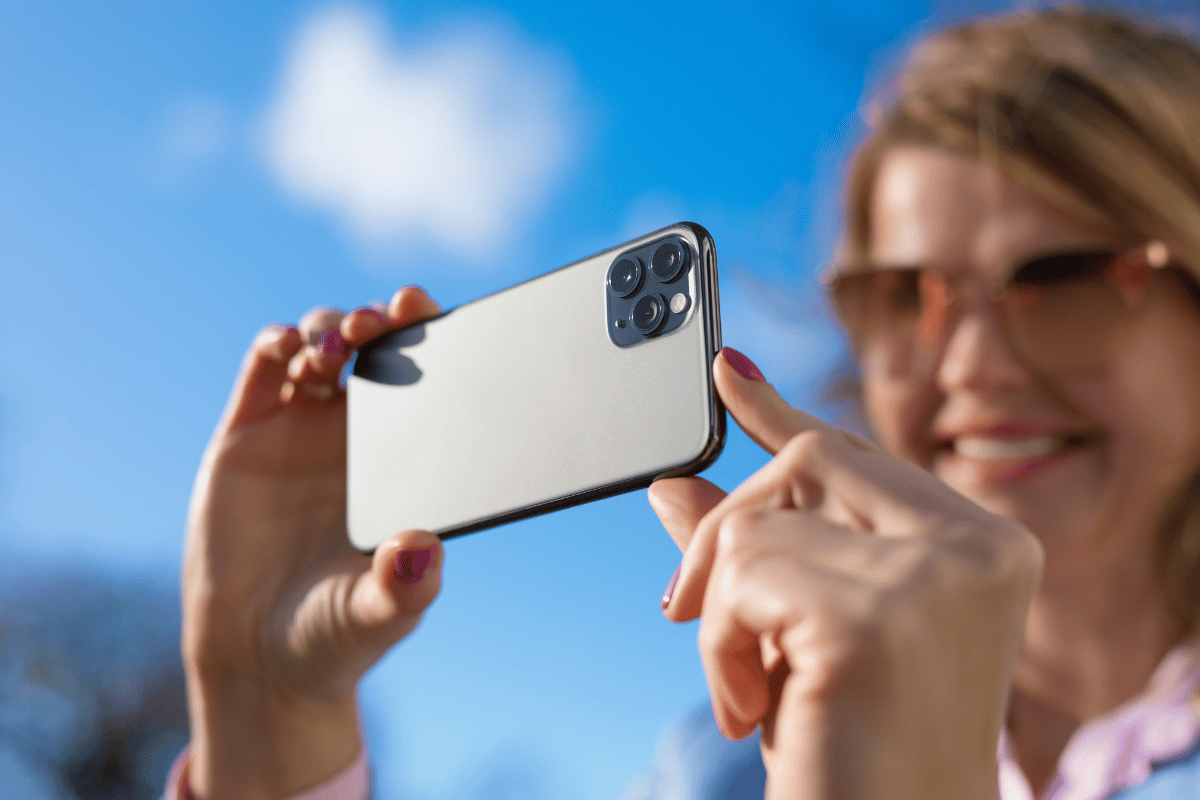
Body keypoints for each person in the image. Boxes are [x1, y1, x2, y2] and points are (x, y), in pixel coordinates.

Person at [169, 5, 1200, 799]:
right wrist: (270, 724)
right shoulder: (721, 762)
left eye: (1066, 280)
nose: (973, 360)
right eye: (903, 295)